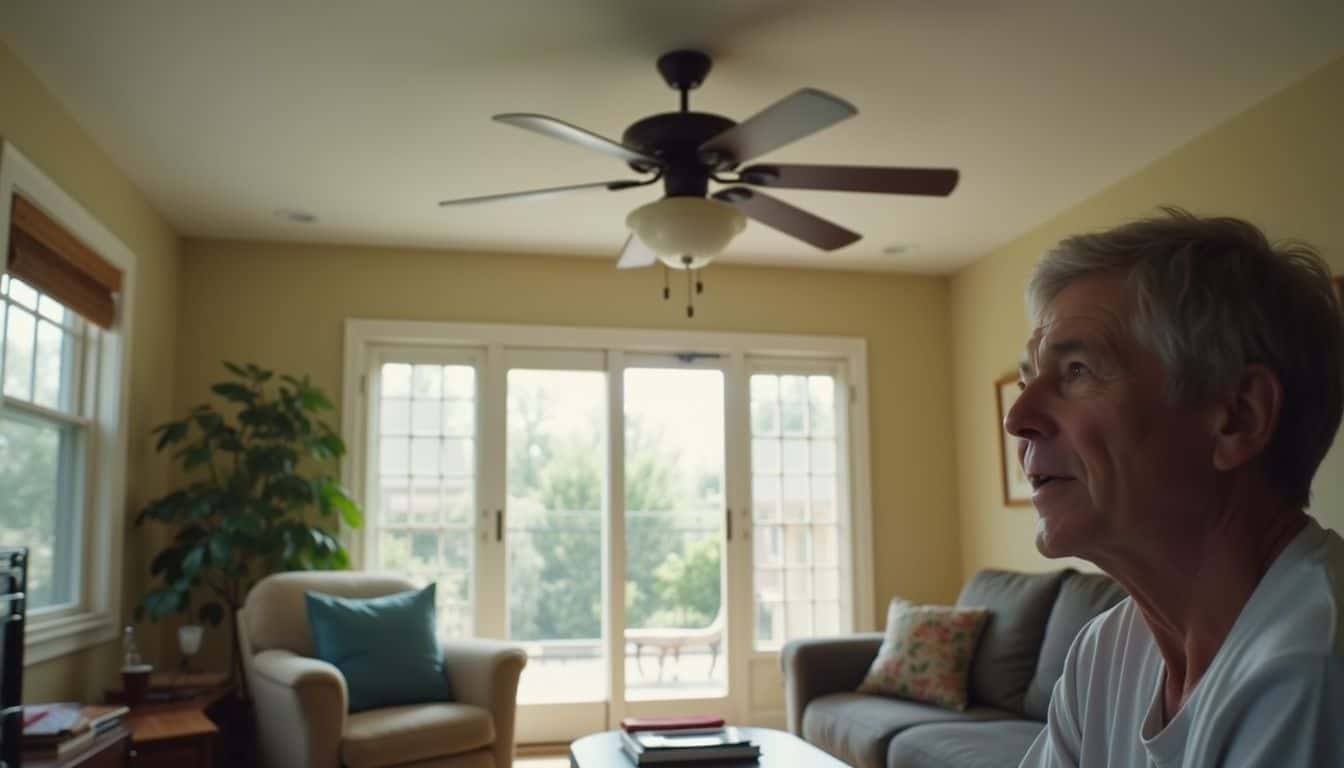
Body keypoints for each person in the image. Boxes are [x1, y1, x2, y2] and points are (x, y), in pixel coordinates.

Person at [1005, 208, 1344, 766]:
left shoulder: (1312, 666)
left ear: (1236, 418)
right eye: (1027, 379)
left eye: (1077, 371)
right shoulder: (1105, 652)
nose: (1017, 418)